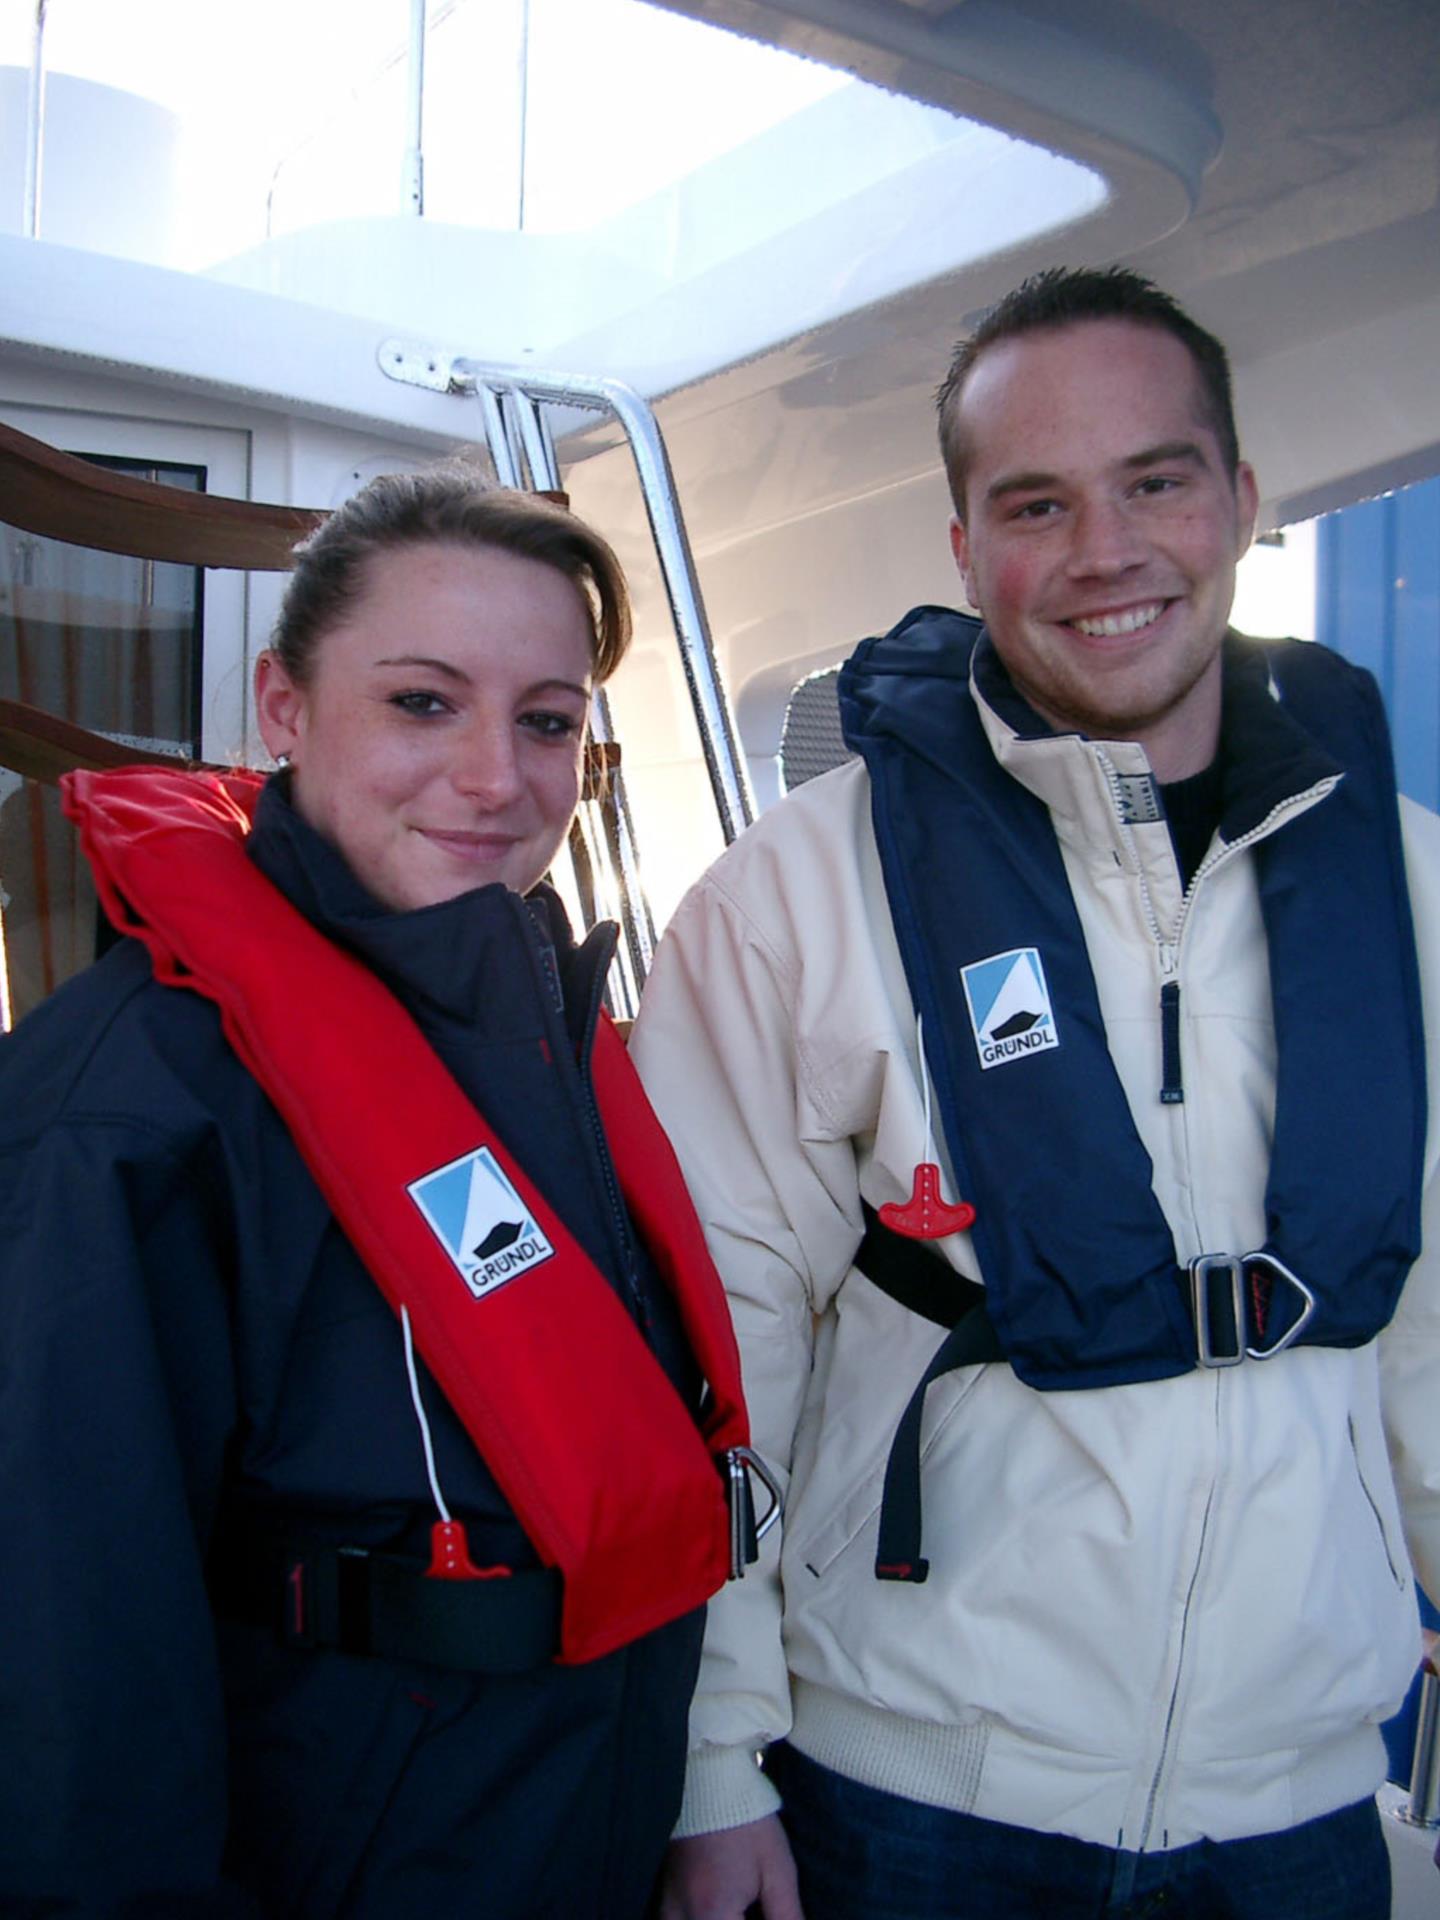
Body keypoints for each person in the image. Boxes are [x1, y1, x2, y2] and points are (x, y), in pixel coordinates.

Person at [632, 267, 1440, 1919]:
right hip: (910, 1799)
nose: (1105, 552)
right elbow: (706, 1347)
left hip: (1299, 1804)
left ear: (1240, 500)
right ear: (962, 550)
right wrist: (710, 1767)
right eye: (1036, 503)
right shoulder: (790, 900)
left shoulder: (1417, 892)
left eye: (1155, 480)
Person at [0, 468, 757, 1917]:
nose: (495, 778)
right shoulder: (124, 1111)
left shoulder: (534, 1033)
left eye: (546, 720)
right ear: (284, 709)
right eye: (424, 702)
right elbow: (61, 1701)